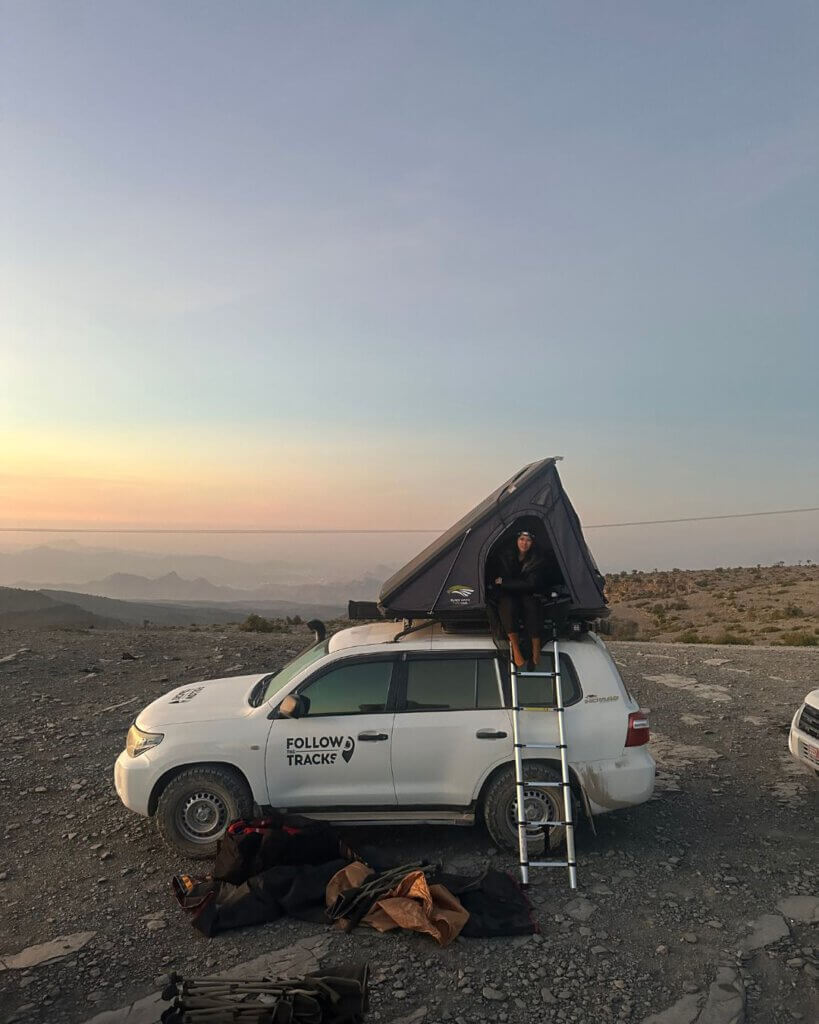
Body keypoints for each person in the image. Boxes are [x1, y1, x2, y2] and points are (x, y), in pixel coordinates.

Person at [493, 530, 545, 668]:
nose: (524, 543)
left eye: (528, 540)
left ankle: (536, 646)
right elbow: (497, 580)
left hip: (526, 593)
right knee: (507, 605)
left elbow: (532, 584)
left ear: (532, 543)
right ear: (516, 540)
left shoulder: (537, 558)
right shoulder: (504, 556)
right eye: (522, 539)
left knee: (531, 604)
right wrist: (511, 584)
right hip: (508, 594)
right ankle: (515, 649)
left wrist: (506, 583)